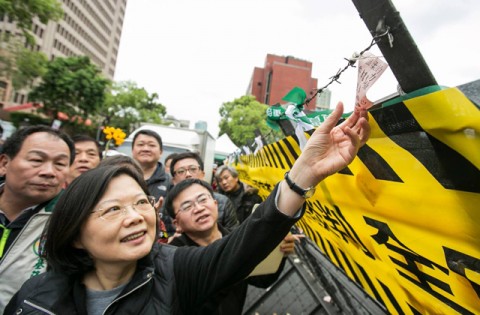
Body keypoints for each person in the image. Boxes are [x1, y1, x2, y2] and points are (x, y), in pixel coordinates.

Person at [5, 103, 370, 314]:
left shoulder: (174, 269)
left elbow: (246, 245)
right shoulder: (34, 300)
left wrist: (302, 174)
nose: (134, 216)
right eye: (113, 210)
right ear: (76, 234)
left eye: (139, 203)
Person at [167, 178, 296, 314]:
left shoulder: (239, 240)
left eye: (203, 199)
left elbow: (262, 280)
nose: (199, 208)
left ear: (215, 204)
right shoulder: (173, 257)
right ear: (177, 223)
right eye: (187, 206)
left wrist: (280, 253)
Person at [0, 125, 74, 313]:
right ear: (4, 164)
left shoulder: (72, 223)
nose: (49, 171)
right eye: (36, 160)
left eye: (60, 164)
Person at [100, 155, 169, 244]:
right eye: (114, 209)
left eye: (132, 177)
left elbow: (162, 241)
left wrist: (155, 221)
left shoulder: (149, 210)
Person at [165, 151, 238, 236]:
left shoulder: (223, 202)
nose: (188, 174)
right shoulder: (168, 206)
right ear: (174, 181)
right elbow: (163, 236)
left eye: (193, 169)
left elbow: (234, 236)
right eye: (181, 171)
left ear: (202, 174)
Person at [132, 130, 172, 200]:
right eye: (140, 144)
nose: (146, 149)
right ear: (132, 150)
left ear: (161, 152)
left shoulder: (170, 182)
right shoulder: (120, 178)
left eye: (152, 145)